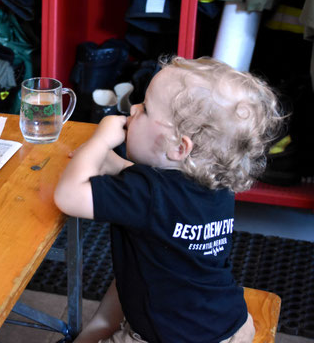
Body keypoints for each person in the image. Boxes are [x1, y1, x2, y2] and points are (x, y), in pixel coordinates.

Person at [54, 56, 284, 342]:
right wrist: (112, 164)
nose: (134, 109)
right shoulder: (216, 185)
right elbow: (163, 197)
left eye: (146, 109)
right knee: (138, 271)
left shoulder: (146, 195)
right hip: (229, 322)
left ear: (178, 147)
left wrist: (99, 141)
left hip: (167, 335)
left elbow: (68, 196)